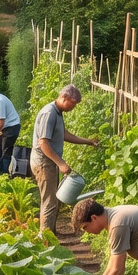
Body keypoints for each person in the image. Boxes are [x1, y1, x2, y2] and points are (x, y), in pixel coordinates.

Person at [31, 83, 98, 233]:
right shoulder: (49, 113)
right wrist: (61, 164)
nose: (73, 108)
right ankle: (46, 240)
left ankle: (51, 233)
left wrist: (88, 141)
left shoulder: (57, 112)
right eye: (73, 104)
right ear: (64, 97)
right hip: (43, 163)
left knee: (54, 200)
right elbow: (43, 143)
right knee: (49, 201)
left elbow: (63, 134)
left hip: (48, 162)